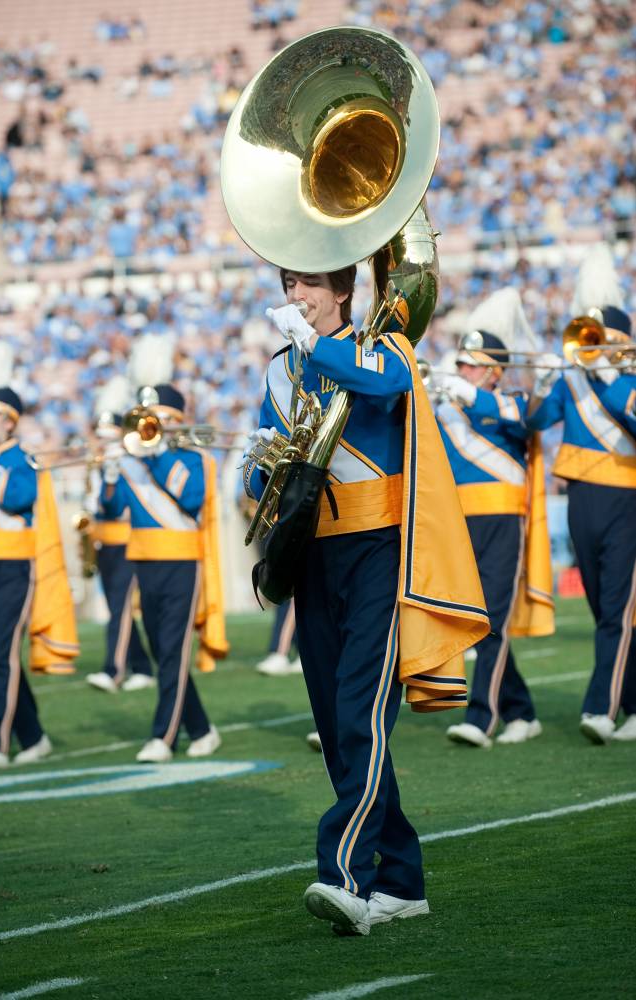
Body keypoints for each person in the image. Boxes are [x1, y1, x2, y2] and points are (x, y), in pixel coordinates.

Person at [242, 266, 488, 936]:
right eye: (289, 283)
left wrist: (314, 346)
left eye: (309, 285)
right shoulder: (277, 369)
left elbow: (384, 385)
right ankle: (402, 882)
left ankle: (345, 875)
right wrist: (259, 461)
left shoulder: (380, 348)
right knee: (338, 723)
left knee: (359, 712)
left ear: (343, 292)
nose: (296, 295)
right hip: (311, 552)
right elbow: (259, 457)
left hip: (378, 549)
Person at [429, 289, 554, 748]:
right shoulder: (447, 410)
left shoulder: (512, 401)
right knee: (475, 621)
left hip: (502, 520)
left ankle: (482, 717)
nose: (462, 372)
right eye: (461, 365)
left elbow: (527, 419)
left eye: (472, 366)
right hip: (458, 523)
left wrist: (464, 394)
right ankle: (522, 710)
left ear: (495, 373)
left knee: (493, 620)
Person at [526, 247, 636, 744]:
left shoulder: (626, 378)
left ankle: (600, 708)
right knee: (604, 608)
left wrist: (607, 376)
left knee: (615, 609)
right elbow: (535, 422)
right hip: (580, 500)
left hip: (626, 498)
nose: (595, 347)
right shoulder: (574, 380)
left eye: (605, 340)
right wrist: (547, 380)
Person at [100, 378, 221, 763]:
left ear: (177, 420)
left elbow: (189, 496)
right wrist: (109, 475)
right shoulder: (133, 461)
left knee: (171, 649)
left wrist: (157, 452)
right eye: (149, 419)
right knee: (163, 652)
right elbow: (111, 509)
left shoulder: (191, 458)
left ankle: (163, 737)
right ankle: (202, 728)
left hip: (182, 562)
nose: (153, 426)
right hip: (143, 561)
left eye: (162, 418)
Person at [0, 357, 52, 770]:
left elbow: (17, 496)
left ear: (9, 422)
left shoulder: (23, 457)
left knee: (2, 654)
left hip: (11, 568)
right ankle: (33, 735)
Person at [85, 377, 154, 694]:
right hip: (106, 543)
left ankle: (113, 670)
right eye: (100, 438)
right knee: (118, 608)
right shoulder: (96, 465)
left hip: (127, 540)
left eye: (109, 438)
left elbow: (120, 507)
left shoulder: (130, 464)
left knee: (122, 607)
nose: (103, 444)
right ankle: (142, 668)